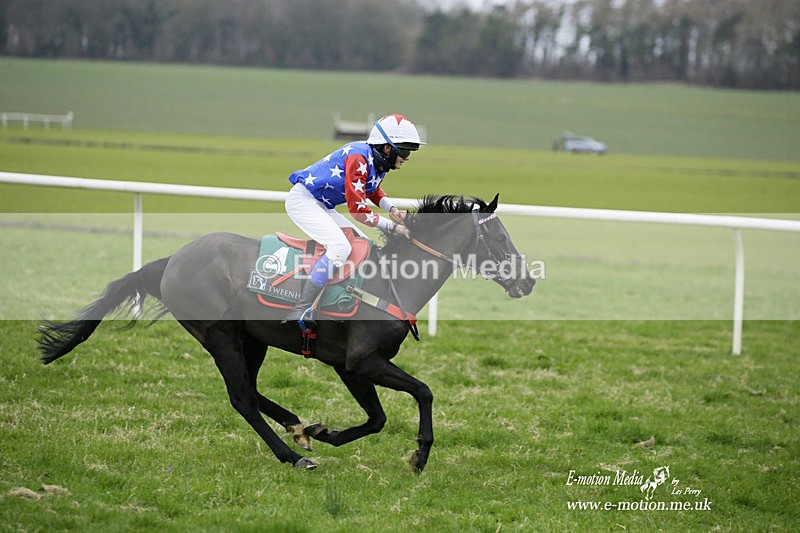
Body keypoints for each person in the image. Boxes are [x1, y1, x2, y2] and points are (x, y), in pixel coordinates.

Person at [282, 113, 425, 328]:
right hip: (304, 202)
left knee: (361, 243)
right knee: (340, 246)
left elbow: (372, 189)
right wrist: (393, 228)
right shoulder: (359, 158)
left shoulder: (376, 160)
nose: (406, 158)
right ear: (387, 148)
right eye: (403, 151)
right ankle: (301, 309)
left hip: (321, 204)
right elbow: (358, 211)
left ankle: (341, 299)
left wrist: (392, 208)